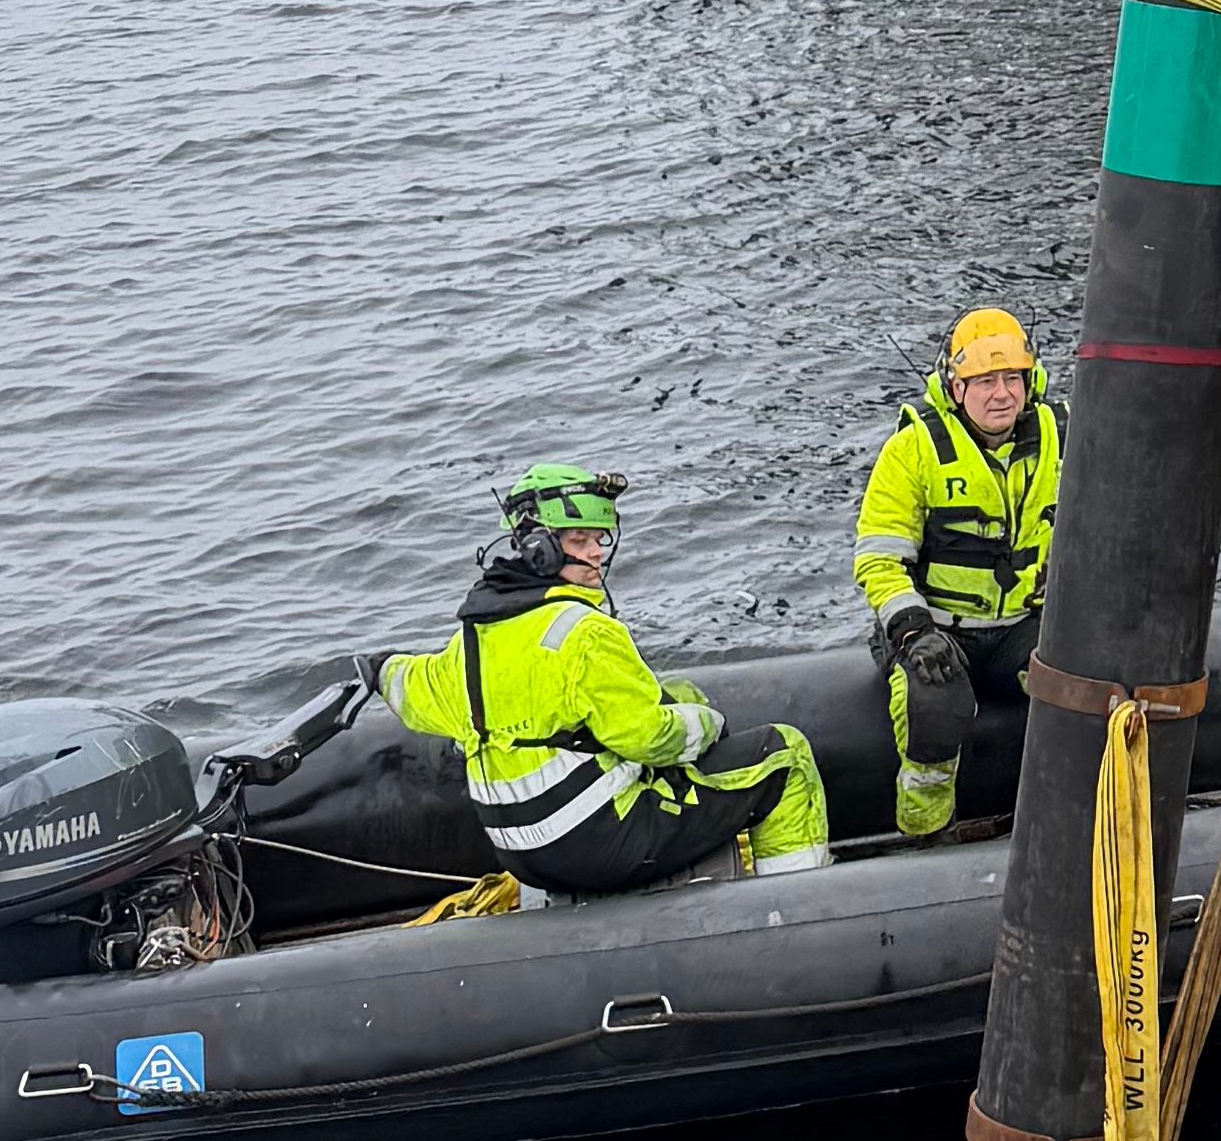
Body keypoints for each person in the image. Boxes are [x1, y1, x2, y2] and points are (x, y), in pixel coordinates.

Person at [381, 465, 830, 895]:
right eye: (580, 540)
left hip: (523, 856)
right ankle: (801, 906)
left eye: (599, 539)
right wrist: (709, 725)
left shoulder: (469, 641)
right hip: (599, 843)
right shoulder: (587, 633)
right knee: (784, 754)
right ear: (539, 547)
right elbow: (649, 739)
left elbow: (413, 692)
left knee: (676, 693)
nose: (597, 552)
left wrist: (379, 669)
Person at [854, 309, 1064, 844]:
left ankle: (1070, 816)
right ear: (956, 386)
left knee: (1081, 687)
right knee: (934, 704)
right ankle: (927, 836)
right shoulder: (914, 450)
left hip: (1021, 626)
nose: (1002, 394)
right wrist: (914, 631)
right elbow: (879, 559)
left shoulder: (1062, 436)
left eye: (1013, 378)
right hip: (937, 631)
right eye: (986, 381)